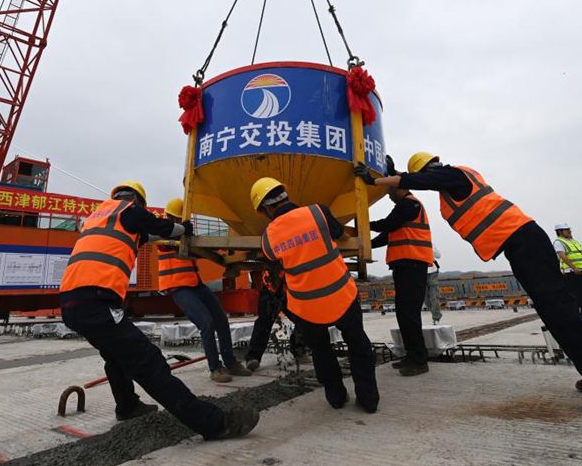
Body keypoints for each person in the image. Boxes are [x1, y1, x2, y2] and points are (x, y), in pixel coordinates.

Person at [354, 153, 582, 414]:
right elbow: (418, 182)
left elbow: (419, 181)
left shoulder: (454, 174)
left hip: (525, 241)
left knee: (561, 313)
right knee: (556, 314)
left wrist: (376, 179)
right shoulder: (451, 188)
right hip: (520, 244)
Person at [59, 181, 259, 440]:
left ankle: (128, 406)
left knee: (115, 355)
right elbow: (161, 227)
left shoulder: (98, 218)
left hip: (71, 303)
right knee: (149, 362)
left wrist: (172, 233)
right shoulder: (129, 211)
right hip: (96, 301)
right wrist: (183, 228)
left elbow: (148, 235)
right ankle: (214, 424)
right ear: (138, 201)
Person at [251, 176, 379, 413]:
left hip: (307, 306)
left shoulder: (268, 236)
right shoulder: (317, 212)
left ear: (265, 209)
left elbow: (272, 260)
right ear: (286, 195)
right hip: (342, 295)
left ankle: (336, 397)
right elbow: (341, 236)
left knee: (321, 351)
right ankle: (369, 399)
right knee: (358, 344)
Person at [159, 198, 253, 382]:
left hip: (196, 285)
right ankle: (215, 368)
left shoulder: (184, 235)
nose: (178, 223)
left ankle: (231, 362)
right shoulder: (162, 233)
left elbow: (196, 251)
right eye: (176, 220)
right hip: (179, 288)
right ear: (170, 217)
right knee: (206, 323)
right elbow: (166, 241)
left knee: (221, 320)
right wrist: (182, 230)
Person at [369, 174, 434, 376]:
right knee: (404, 314)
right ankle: (411, 355)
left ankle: (419, 360)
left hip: (413, 265)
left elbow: (389, 223)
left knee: (409, 314)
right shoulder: (404, 207)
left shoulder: (410, 205)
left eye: (390, 192)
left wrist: (364, 224)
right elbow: (386, 235)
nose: (389, 197)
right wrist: (363, 242)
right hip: (405, 266)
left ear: (399, 188)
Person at [426, 248, 443, 325]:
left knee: (434, 296)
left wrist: (430, 247)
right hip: (419, 272)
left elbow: (438, 255)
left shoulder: (430, 242)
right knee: (426, 299)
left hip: (432, 272)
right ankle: (434, 314)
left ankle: (436, 318)